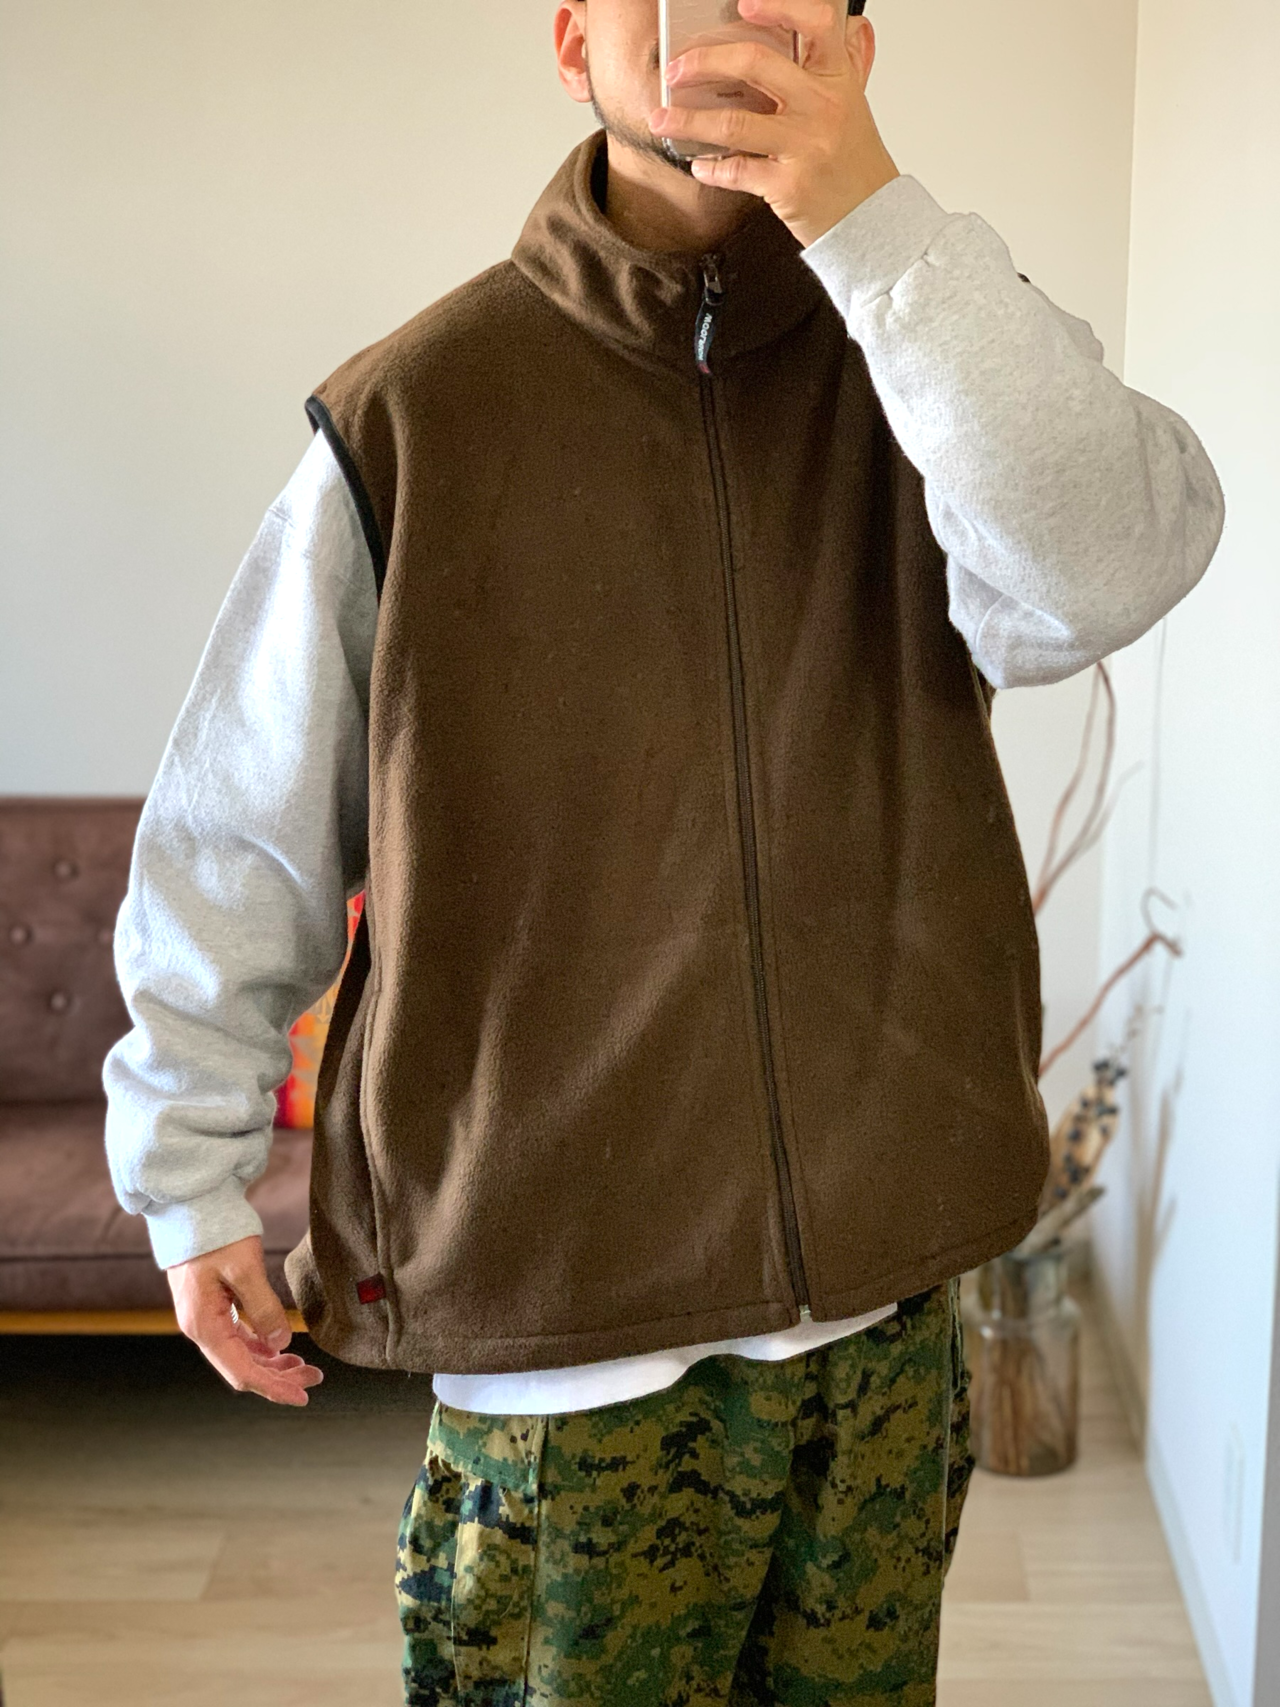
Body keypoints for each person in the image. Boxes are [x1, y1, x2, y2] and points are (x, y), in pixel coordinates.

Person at [103, 0, 1225, 1701]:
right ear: (575, 46)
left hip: (885, 1316)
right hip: (561, 1361)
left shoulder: (929, 358)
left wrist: (874, 222)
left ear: (853, 44)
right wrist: (184, 1168)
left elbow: (1119, 562)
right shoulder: (413, 416)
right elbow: (236, 831)